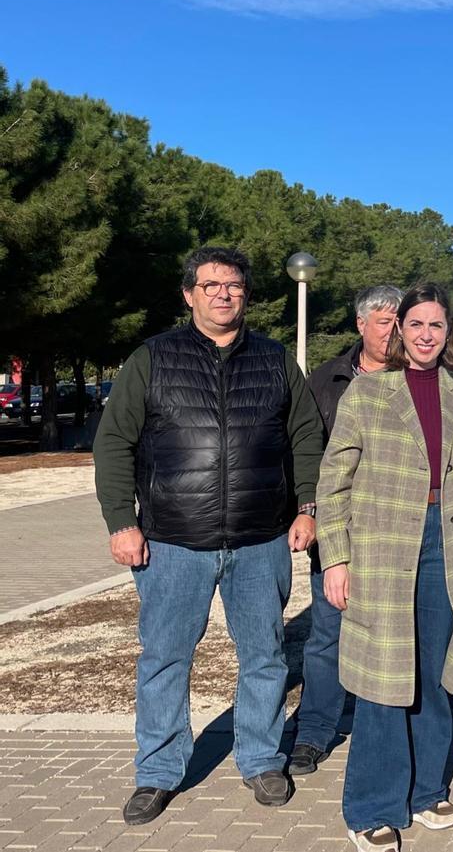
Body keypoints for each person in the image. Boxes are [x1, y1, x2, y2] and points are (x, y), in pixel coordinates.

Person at [93, 246, 324, 826]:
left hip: (260, 539)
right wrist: (122, 520)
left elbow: (305, 439)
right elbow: (114, 442)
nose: (224, 294)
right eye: (211, 284)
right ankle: (159, 771)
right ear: (189, 294)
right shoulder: (152, 358)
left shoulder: (275, 361)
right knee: (165, 660)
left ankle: (261, 758)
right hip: (171, 541)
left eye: (235, 285)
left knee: (266, 657)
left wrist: (309, 506)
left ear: (246, 294)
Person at [316, 282, 453, 852]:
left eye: (437, 325)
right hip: (381, 547)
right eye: (416, 325)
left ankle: (426, 791)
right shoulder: (367, 395)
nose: (426, 335)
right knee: (384, 678)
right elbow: (333, 481)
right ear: (398, 331)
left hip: (445, 541)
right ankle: (373, 806)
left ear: (448, 334)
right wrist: (335, 558)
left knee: (433, 673)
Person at [290, 284, 404, 776]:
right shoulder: (325, 381)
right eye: (385, 322)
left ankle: (396, 729)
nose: (395, 331)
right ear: (361, 325)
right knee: (328, 635)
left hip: (402, 529)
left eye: (401, 321)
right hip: (342, 527)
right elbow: (307, 452)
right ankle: (315, 731)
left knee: (402, 633)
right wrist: (309, 510)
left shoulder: (421, 377)